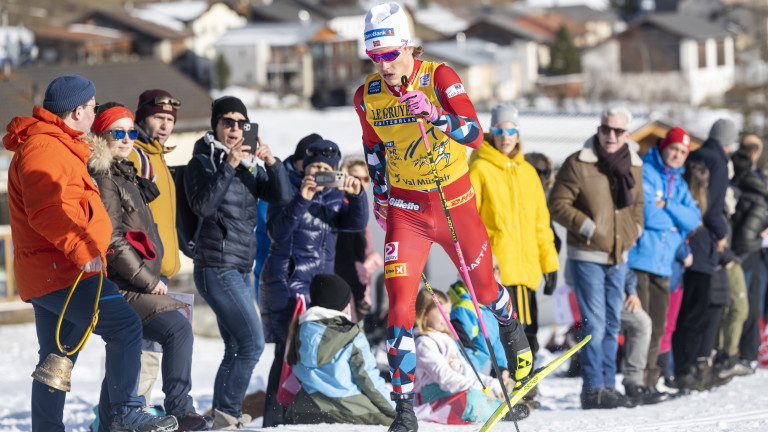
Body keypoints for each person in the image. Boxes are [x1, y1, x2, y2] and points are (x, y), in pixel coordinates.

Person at [353, 3, 532, 430]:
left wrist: (435, 115)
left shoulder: (439, 77)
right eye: (374, 57)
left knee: (486, 290)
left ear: (408, 46)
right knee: (399, 307)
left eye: (391, 54)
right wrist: (379, 197)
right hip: (407, 212)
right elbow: (373, 149)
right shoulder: (367, 96)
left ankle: (512, 332)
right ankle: (404, 412)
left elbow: (475, 132)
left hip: (454, 206)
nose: (384, 66)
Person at [3, 74, 176, 432]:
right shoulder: (44, 149)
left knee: (57, 359)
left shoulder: (57, 145)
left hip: (53, 271)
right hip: (65, 270)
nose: (95, 113)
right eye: (93, 107)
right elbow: (46, 211)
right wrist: (83, 251)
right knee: (126, 327)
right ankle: (126, 411)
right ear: (77, 110)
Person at [88, 103, 210, 431]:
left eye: (131, 132)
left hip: (135, 280)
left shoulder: (124, 172)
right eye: (118, 132)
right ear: (101, 135)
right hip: (119, 283)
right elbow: (111, 239)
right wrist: (146, 281)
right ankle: (180, 409)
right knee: (176, 328)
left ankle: (110, 423)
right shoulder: (104, 177)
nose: (127, 139)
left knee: (128, 348)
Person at [185, 95, 292, 429]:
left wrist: (272, 164)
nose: (234, 129)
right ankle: (228, 415)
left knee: (235, 346)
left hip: (240, 267)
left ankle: (222, 416)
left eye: (240, 123)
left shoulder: (249, 166)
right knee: (252, 342)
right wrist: (228, 166)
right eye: (227, 122)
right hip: (215, 267)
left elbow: (282, 196)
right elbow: (202, 206)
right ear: (215, 125)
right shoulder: (201, 163)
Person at [259, 139, 368, 426]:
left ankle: (302, 416)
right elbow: (277, 234)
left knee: (315, 351)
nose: (319, 174)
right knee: (287, 352)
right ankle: (274, 419)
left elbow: (354, 224)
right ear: (304, 167)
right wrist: (302, 198)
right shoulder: (286, 189)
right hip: (287, 281)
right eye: (315, 168)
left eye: (326, 169)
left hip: (319, 284)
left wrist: (357, 196)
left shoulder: (334, 195)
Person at [548, 106, 644, 410]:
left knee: (613, 324)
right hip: (587, 254)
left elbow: (638, 206)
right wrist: (589, 228)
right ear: (599, 129)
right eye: (606, 129)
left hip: (619, 256)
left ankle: (607, 386)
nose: (611, 136)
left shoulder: (635, 165)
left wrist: (635, 230)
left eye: (617, 131)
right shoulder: (578, 163)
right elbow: (558, 204)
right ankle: (592, 388)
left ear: (627, 134)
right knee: (596, 324)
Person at [467, 104, 559, 404]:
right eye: (499, 130)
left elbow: (540, 223)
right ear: (491, 133)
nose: (505, 136)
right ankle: (515, 387)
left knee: (528, 330)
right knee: (508, 332)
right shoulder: (480, 167)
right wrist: (481, 261)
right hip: (499, 267)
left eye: (510, 130)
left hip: (527, 268)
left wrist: (550, 264)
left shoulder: (528, 172)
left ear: (518, 134)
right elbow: (470, 220)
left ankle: (525, 385)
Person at [627, 127, 700, 396]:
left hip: (665, 263)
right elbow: (646, 214)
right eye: (674, 149)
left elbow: (693, 221)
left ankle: (649, 381)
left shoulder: (679, 183)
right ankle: (634, 380)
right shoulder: (646, 171)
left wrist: (666, 204)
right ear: (663, 147)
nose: (677, 155)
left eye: (682, 152)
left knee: (658, 326)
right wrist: (675, 224)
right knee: (641, 326)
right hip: (640, 259)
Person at [126, 89, 182, 407]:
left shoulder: (158, 156)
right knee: (144, 350)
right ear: (142, 116)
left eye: (170, 120)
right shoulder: (135, 154)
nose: (165, 125)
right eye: (158, 117)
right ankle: (134, 413)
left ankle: (132, 410)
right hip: (143, 271)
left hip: (162, 271)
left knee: (150, 349)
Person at [286, 274, 396, 425]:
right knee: (395, 423)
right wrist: (397, 410)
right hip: (348, 409)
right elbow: (368, 380)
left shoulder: (300, 330)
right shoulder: (352, 335)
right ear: (343, 304)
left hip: (306, 408)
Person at [413, 288, 505, 424]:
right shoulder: (423, 342)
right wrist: (479, 388)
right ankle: (495, 411)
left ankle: (499, 407)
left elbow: (465, 371)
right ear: (424, 313)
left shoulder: (447, 339)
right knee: (474, 397)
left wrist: (491, 384)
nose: (447, 318)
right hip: (434, 398)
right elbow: (445, 378)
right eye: (442, 313)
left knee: (487, 394)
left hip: (455, 391)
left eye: (448, 312)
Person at [335, 156, 384, 320]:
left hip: (360, 284)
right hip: (344, 284)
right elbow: (345, 258)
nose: (361, 182)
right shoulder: (340, 206)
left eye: (365, 178)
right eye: (356, 177)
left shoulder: (361, 210)